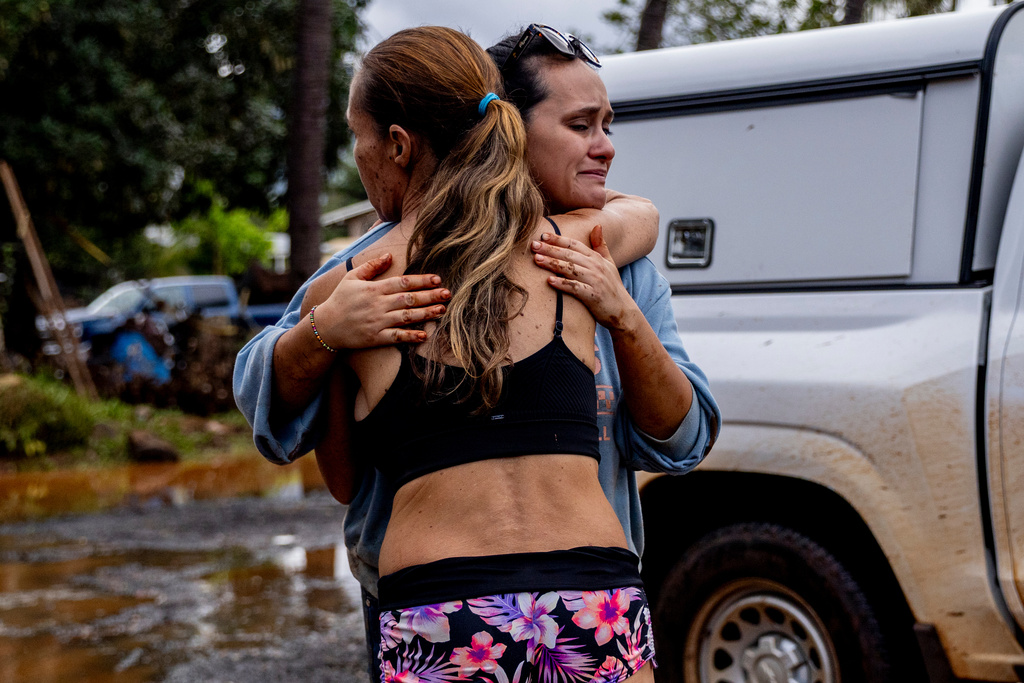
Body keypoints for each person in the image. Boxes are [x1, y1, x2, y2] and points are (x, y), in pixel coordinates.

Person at [232, 23, 720, 681]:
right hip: (592, 592)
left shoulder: (357, 281)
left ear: (399, 145)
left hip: (439, 602)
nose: (603, 146)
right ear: (507, 127)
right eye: (582, 126)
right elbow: (638, 217)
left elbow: (343, 478)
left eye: (357, 137)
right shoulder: (582, 248)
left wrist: (328, 335)